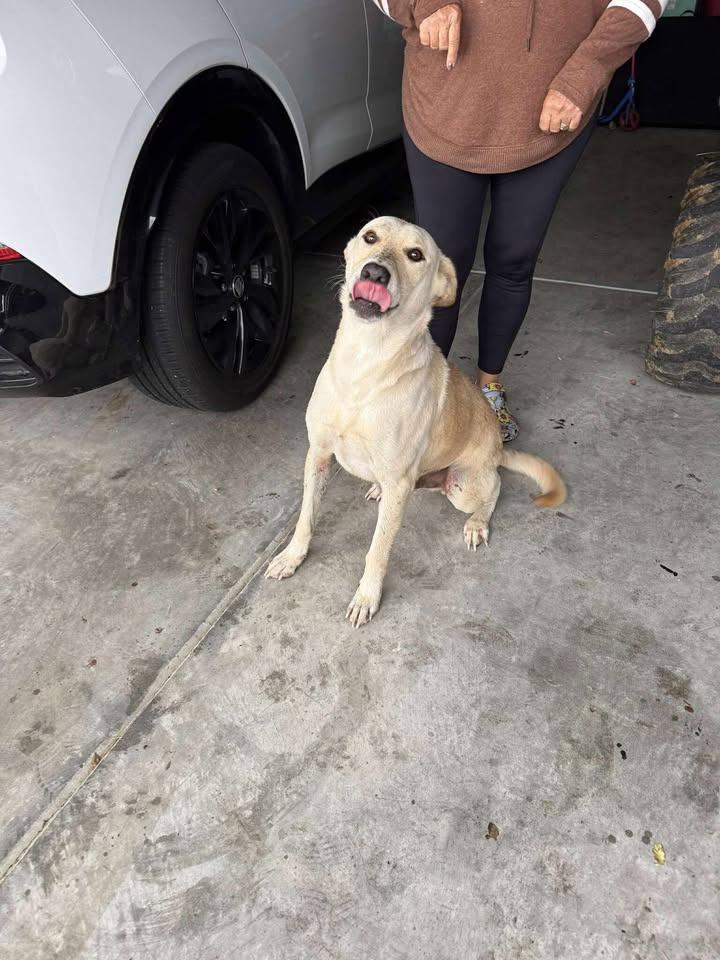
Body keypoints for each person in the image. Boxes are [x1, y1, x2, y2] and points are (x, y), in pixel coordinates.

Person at [372, 0, 666, 440]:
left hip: (555, 105)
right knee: (435, 267)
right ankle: (419, 395)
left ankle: (489, 387)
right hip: (447, 102)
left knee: (514, 258)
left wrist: (586, 73)